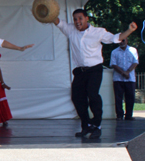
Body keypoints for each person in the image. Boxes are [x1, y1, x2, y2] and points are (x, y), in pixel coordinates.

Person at [53, 9, 137, 139]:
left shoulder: (98, 32)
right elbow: (57, 21)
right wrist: (46, 11)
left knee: (92, 95)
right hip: (80, 71)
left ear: (87, 18)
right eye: (75, 19)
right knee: (76, 97)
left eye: (80, 18)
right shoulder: (70, 30)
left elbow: (115, 38)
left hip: (94, 69)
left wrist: (129, 30)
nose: (77, 21)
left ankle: (97, 125)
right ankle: (86, 125)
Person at [110, 38, 139, 121]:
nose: (122, 42)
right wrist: (123, 72)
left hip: (130, 78)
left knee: (130, 97)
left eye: (123, 40)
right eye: (120, 40)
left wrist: (128, 72)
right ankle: (119, 115)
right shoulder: (114, 52)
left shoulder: (133, 50)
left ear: (127, 40)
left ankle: (129, 115)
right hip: (118, 78)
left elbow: (135, 62)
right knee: (118, 97)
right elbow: (113, 64)